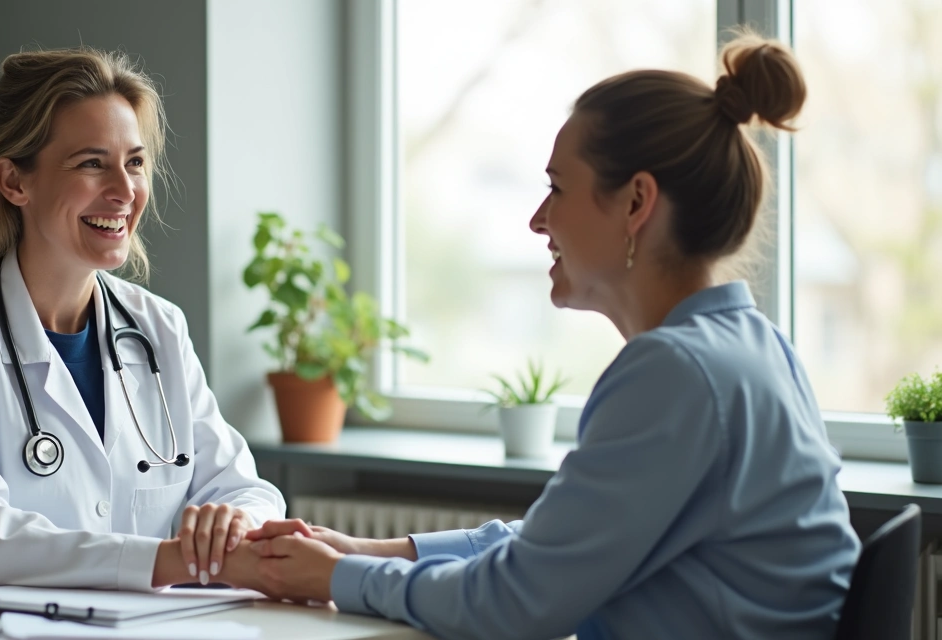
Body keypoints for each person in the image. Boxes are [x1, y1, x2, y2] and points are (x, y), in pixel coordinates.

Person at [240, 33, 861, 639]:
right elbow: (558, 542)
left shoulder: (676, 372)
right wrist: (378, 550)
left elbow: (515, 604)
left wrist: (341, 578)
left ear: (636, 202)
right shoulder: (753, 346)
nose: (538, 220)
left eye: (557, 188)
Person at [0, 47, 284, 592]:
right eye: (92, 163)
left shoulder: (159, 327)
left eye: (135, 162)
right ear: (14, 182)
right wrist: (170, 561)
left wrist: (235, 522)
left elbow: (245, 488)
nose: (125, 192)